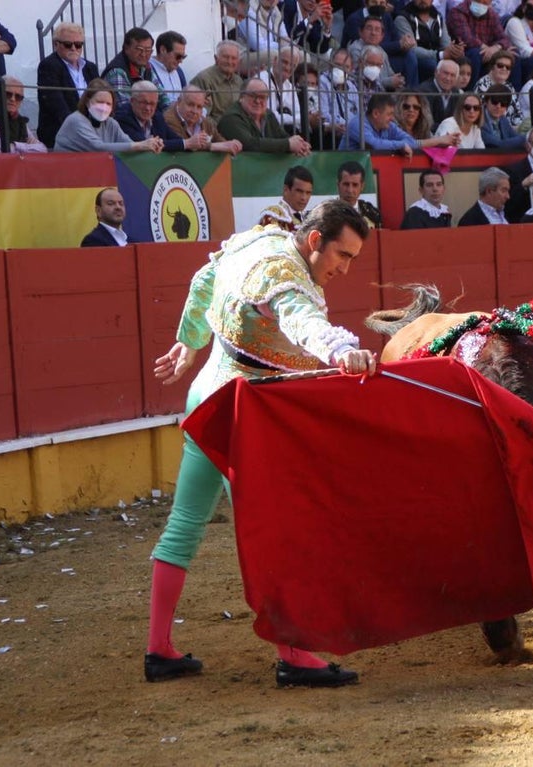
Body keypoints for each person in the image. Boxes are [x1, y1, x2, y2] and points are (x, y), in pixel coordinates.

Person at [146, 200, 374, 688]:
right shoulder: (283, 277)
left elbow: (204, 280)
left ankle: (159, 649)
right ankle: (292, 655)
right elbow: (301, 323)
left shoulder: (258, 240)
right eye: (343, 255)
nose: (345, 268)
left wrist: (190, 341)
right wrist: (340, 350)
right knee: (274, 535)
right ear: (315, 240)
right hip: (242, 413)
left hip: (206, 392)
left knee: (185, 522)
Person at [53, 78, 164, 153]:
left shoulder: (111, 123)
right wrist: (140, 145)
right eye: (99, 102)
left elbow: (128, 143)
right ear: (87, 101)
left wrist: (152, 145)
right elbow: (97, 147)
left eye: (108, 104)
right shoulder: (76, 120)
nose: (103, 107)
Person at [36, 22, 99, 148]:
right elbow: (57, 107)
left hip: (91, 132)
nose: (74, 48)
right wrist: (83, 132)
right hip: (61, 134)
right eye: (68, 44)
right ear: (56, 44)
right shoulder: (49, 66)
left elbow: (100, 98)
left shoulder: (90, 67)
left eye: (79, 44)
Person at [218, 77, 313, 156]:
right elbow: (249, 144)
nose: (258, 101)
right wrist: (288, 144)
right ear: (242, 97)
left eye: (262, 97)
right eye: (253, 95)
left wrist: (300, 145)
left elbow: (283, 137)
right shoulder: (231, 118)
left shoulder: (268, 115)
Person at [115, 81, 211, 153]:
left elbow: (174, 139)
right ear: (132, 101)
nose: (148, 108)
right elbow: (144, 144)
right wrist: (187, 143)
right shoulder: (123, 117)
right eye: (144, 103)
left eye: (152, 104)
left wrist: (192, 143)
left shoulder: (157, 117)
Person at [163, 84, 244, 155]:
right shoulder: (168, 119)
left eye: (199, 107)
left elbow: (220, 141)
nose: (194, 111)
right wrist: (211, 146)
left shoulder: (206, 122)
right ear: (179, 102)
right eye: (190, 105)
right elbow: (185, 145)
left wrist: (231, 144)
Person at [397, 0, 464, 83]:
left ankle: (459, 94)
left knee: (464, 62)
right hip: (417, 60)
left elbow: (446, 44)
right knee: (431, 65)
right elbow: (412, 49)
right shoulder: (403, 18)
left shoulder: (438, 16)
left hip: (438, 57)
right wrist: (440, 55)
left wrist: (455, 50)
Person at [102, 27, 163, 107]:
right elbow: (125, 106)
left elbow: (162, 96)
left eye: (148, 50)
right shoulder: (117, 71)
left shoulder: (146, 67)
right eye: (139, 49)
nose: (143, 54)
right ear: (126, 48)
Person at [341, 91, 421, 153]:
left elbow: (411, 142)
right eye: (389, 114)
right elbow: (375, 145)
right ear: (376, 113)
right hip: (345, 170)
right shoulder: (358, 124)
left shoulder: (388, 125)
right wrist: (401, 145)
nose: (392, 118)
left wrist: (401, 145)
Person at [189, 40, 244, 122]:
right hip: (215, 130)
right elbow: (200, 115)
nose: (229, 62)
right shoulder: (204, 79)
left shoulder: (238, 81)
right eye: (225, 57)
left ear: (238, 62)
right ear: (216, 58)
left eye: (234, 58)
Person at [259, 166, 315, 232]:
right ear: (286, 189)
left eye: (308, 193)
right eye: (299, 191)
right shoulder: (273, 216)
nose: (304, 198)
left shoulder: (307, 219)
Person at [473, 50, 523, 123]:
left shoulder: (509, 86)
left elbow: (518, 114)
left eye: (508, 67)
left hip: (511, 129)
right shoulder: (482, 85)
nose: (504, 69)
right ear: (492, 66)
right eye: (500, 65)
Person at [337, 160, 382, 229]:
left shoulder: (372, 214)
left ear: (362, 186)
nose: (350, 190)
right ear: (338, 185)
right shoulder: (327, 214)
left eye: (355, 185)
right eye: (346, 184)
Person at [417, 57, 462, 125]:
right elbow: (426, 123)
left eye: (452, 75)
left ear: (456, 79)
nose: (448, 78)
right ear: (436, 73)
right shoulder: (424, 91)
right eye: (445, 73)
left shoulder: (456, 92)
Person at [149, 30, 187, 108]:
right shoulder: (148, 69)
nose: (181, 61)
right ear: (163, 50)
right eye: (178, 56)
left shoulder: (179, 71)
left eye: (183, 57)